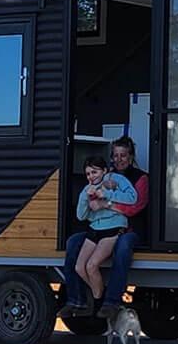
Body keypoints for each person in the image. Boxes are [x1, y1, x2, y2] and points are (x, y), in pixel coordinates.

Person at [61, 136, 149, 319]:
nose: (119, 159)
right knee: (72, 243)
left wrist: (106, 203)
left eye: (123, 155)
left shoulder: (140, 178)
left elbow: (135, 207)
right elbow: (85, 212)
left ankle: (111, 301)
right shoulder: (103, 178)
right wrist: (91, 200)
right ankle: (76, 300)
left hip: (130, 228)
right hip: (99, 226)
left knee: (123, 247)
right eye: (115, 155)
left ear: (131, 156)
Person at [68, 155, 138, 308]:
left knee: (92, 265)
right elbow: (81, 216)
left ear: (104, 171)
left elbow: (133, 198)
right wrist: (85, 197)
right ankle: (100, 295)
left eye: (95, 172)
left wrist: (106, 195)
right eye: (88, 174)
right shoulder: (87, 189)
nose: (91, 176)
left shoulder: (115, 179)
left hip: (113, 227)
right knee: (79, 267)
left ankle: (99, 304)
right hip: (95, 228)